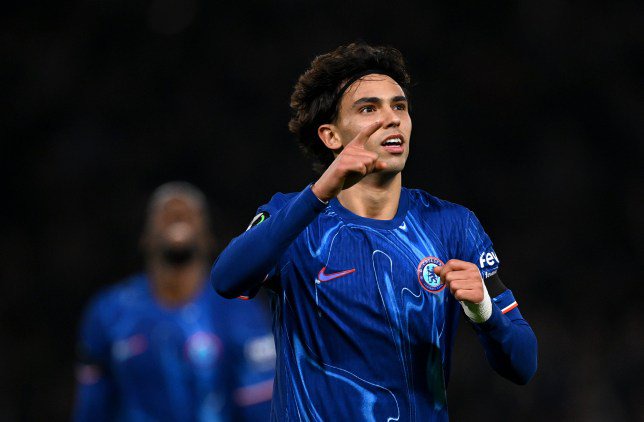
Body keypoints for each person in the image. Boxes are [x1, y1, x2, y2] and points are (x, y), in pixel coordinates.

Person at [211, 43, 537, 420]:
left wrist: (484, 310)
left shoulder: (452, 225)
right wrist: (320, 191)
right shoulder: (292, 218)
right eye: (369, 108)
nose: (392, 119)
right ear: (331, 137)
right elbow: (226, 279)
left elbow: (524, 364)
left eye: (399, 106)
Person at [74, 182, 275, 421]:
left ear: (208, 238)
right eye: (165, 212)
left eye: (190, 212)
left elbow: (262, 409)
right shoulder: (109, 312)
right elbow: (92, 409)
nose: (178, 213)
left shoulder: (241, 311)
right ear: (145, 238)